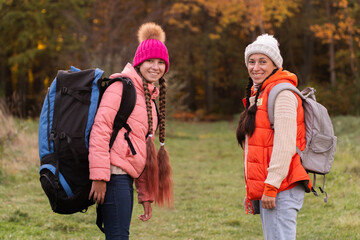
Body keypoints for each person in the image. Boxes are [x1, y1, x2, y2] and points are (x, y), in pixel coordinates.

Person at [88, 22, 173, 239]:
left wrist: (145, 195)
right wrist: (99, 177)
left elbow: (142, 150)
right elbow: (100, 130)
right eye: (150, 61)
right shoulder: (121, 88)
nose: (156, 67)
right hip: (113, 175)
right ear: (139, 63)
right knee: (118, 236)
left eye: (161, 62)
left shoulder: (149, 99)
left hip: (126, 178)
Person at [236, 34, 312, 240]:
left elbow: (285, 145)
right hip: (273, 187)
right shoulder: (260, 94)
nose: (255, 67)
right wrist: (254, 191)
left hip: (282, 187)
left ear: (275, 65)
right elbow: (260, 148)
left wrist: (271, 186)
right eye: (251, 62)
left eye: (263, 62)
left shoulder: (282, 94)